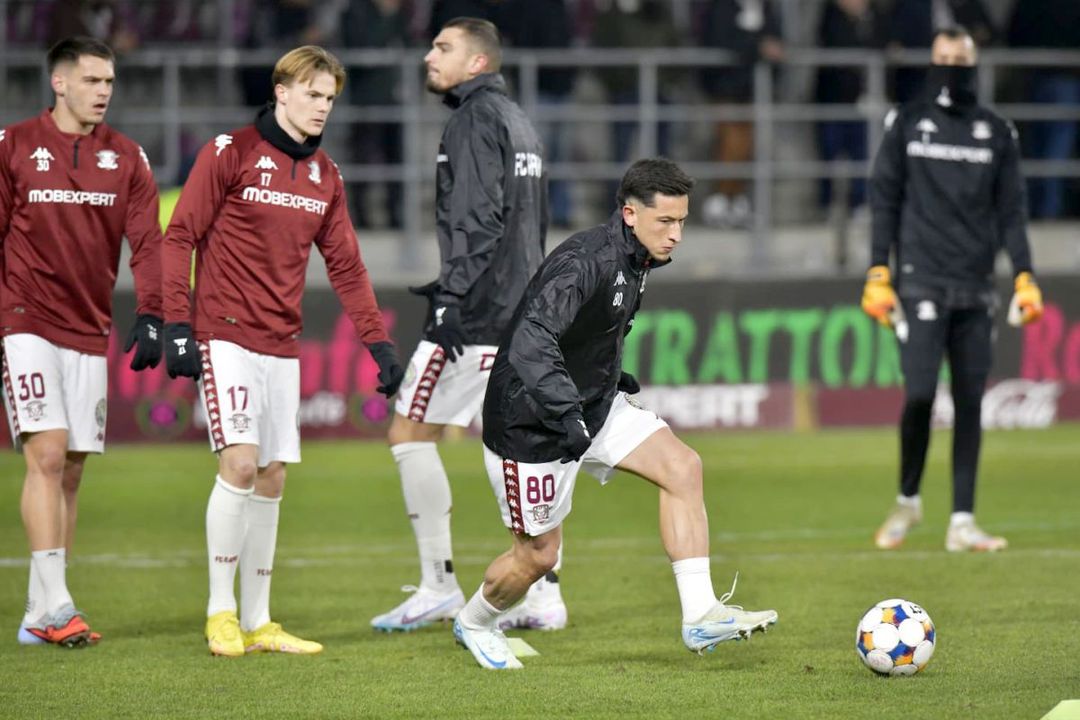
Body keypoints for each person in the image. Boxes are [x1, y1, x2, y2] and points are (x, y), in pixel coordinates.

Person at [452, 158, 778, 670]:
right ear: (630, 213)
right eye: (665, 221)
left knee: (683, 467)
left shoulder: (638, 258)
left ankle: (700, 615)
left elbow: (598, 328)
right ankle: (474, 621)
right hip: (530, 423)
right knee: (537, 556)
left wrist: (606, 375)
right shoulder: (585, 261)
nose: (676, 234)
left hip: (591, 405)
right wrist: (567, 412)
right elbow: (533, 341)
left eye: (682, 221)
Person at [162, 45, 404, 657]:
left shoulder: (326, 175)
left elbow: (346, 266)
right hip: (224, 333)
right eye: (313, 94)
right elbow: (180, 235)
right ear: (282, 92)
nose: (322, 107)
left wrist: (378, 343)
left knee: (272, 476)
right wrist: (176, 323)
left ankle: (259, 620)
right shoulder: (230, 152)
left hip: (281, 343)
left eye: (330, 98)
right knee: (242, 465)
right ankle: (220, 613)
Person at [371, 17, 557, 634]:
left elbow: (476, 219)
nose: (430, 56)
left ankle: (438, 586)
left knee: (408, 431)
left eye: (443, 47)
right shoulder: (520, 121)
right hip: (523, 312)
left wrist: (449, 297)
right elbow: (530, 225)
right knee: (520, 448)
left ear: (477, 62)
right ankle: (545, 593)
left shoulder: (473, 120)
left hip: (478, 314)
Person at [1, 36, 163, 647]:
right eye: (92, 80)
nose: (103, 92)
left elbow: (148, 244)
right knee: (46, 454)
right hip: (25, 319)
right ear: (59, 82)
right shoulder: (14, 146)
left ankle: (39, 611)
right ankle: (56, 607)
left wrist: (153, 313)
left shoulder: (127, 158)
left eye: (109, 82)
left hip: (89, 327)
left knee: (69, 470)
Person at [863, 28, 1044, 553]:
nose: (950, 67)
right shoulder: (906, 122)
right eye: (942, 58)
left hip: (975, 286)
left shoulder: (997, 131)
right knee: (920, 393)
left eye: (959, 60)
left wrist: (1025, 274)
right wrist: (877, 270)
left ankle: (962, 521)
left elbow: (1012, 210)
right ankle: (908, 498)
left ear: (974, 64)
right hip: (920, 278)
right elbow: (884, 198)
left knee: (969, 402)